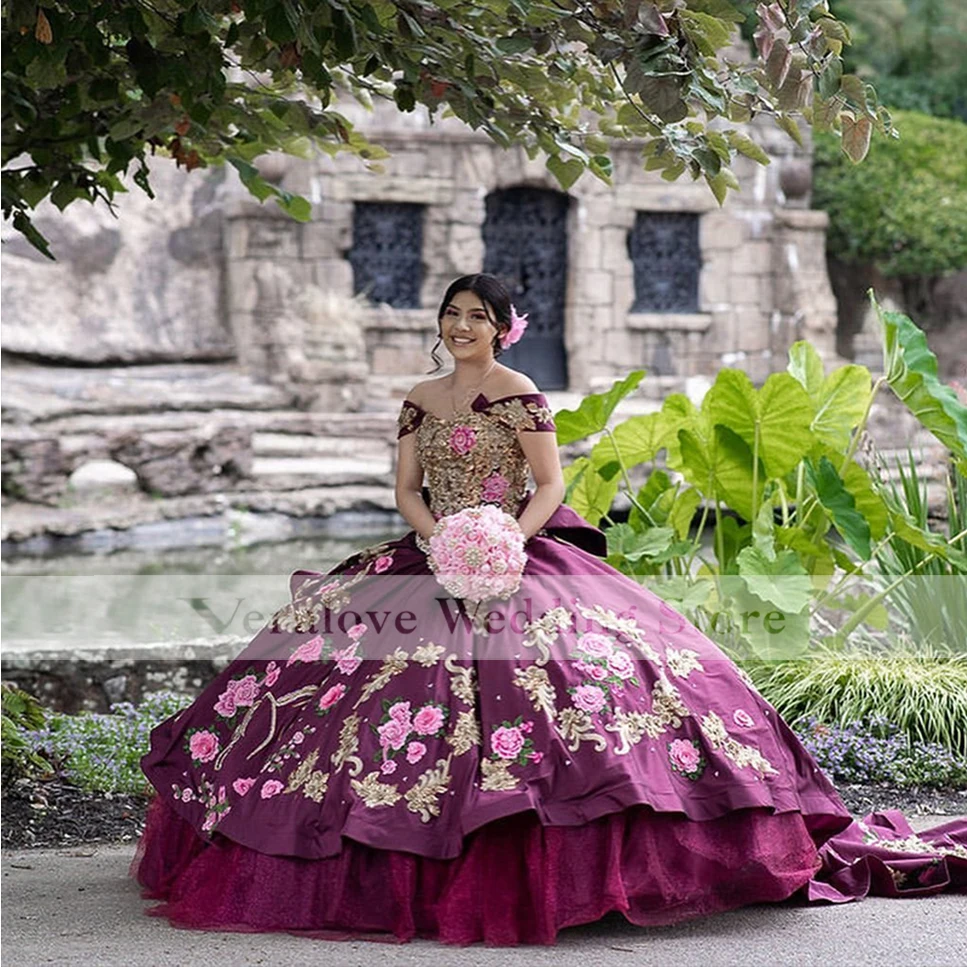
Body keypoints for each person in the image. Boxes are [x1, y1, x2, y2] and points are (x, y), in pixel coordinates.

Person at [133, 273, 967, 945]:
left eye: (476, 316)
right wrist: (438, 544)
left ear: (502, 325)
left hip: (521, 554)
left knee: (591, 693)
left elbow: (552, 483)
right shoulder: (421, 397)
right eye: (451, 313)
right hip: (430, 558)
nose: (461, 326)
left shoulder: (519, 391)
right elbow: (404, 489)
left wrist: (503, 541)